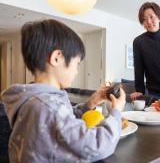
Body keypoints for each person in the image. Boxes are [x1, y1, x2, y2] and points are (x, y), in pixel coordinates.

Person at [1, 19, 126, 162]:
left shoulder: (37, 99)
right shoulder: (48, 106)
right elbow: (97, 146)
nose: (77, 71)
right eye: (76, 64)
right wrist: (116, 112)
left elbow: (66, 121)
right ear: (56, 58)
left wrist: (92, 102)